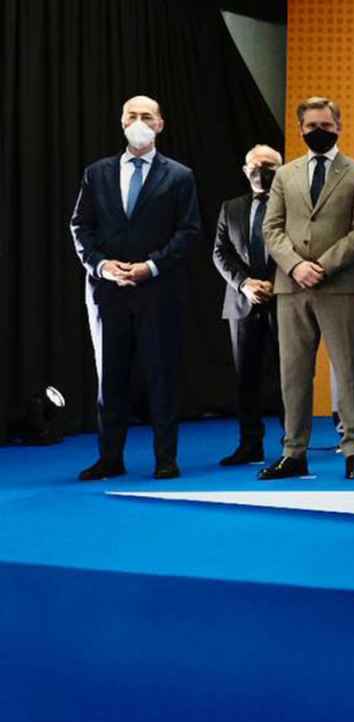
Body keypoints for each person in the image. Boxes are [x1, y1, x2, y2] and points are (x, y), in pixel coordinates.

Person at [69, 96, 202, 481]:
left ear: (160, 124)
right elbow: (80, 226)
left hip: (158, 291)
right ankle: (110, 458)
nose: (139, 122)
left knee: (162, 376)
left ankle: (166, 459)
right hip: (107, 291)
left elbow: (189, 231)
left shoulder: (180, 176)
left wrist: (151, 266)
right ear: (122, 122)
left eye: (147, 116)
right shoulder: (97, 173)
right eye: (132, 116)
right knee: (110, 378)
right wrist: (101, 265)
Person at [259, 97, 354, 481]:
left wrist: (321, 267)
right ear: (300, 130)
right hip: (291, 288)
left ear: (339, 127)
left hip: (340, 287)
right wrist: (296, 266)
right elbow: (271, 229)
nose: (319, 133)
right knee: (293, 374)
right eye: (311, 127)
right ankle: (294, 453)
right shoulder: (284, 175)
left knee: (348, 372)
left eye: (326, 126)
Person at [211, 144, 283, 467]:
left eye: (268, 166)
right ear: (244, 170)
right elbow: (220, 252)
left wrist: (276, 284)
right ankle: (249, 445)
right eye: (254, 165)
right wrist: (244, 283)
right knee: (246, 379)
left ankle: (293, 444)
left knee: (290, 377)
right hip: (242, 303)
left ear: (280, 171)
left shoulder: (294, 205)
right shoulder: (230, 207)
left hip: (285, 300)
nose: (260, 171)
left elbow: (303, 248)